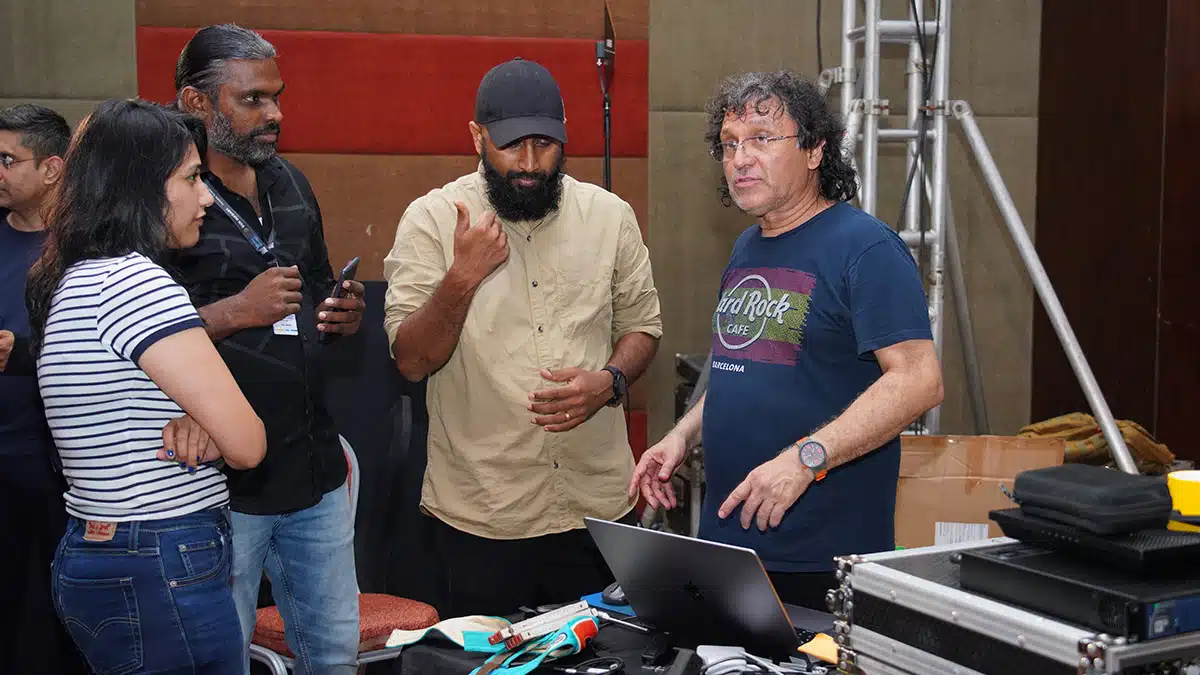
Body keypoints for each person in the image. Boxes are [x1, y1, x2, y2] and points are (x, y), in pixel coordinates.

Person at [629, 71, 943, 611]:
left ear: (815, 149)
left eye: (761, 139)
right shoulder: (747, 248)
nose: (740, 159)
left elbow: (920, 380)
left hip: (819, 561)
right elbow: (742, 372)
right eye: (730, 144)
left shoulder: (866, 249)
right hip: (730, 548)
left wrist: (805, 460)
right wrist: (682, 436)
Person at [384, 58, 662, 617]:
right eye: (512, 146)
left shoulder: (609, 217)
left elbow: (642, 327)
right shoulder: (432, 220)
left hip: (597, 509)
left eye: (545, 144)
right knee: (489, 658)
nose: (531, 163)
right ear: (477, 138)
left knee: (610, 653)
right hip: (485, 516)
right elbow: (411, 360)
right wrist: (463, 276)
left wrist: (609, 382)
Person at [24, 98, 266, 674]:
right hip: (159, 556)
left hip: (107, 551)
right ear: (142, 187)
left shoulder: (73, 276)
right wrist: (217, 427)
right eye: (191, 179)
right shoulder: (133, 283)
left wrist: (203, 421)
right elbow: (249, 443)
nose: (207, 198)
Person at [171, 24, 365, 673]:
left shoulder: (291, 183)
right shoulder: (170, 203)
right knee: (220, 659)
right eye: (252, 99)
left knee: (333, 657)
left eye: (276, 96)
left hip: (312, 471)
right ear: (196, 103)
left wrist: (341, 310)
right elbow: (141, 335)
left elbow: (317, 283)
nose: (274, 113)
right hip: (218, 486)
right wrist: (238, 310)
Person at [0, 103, 88, 675]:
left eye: (8, 160)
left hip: (65, 467)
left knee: (67, 615)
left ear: (53, 169)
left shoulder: (85, 251)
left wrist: (21, 352)